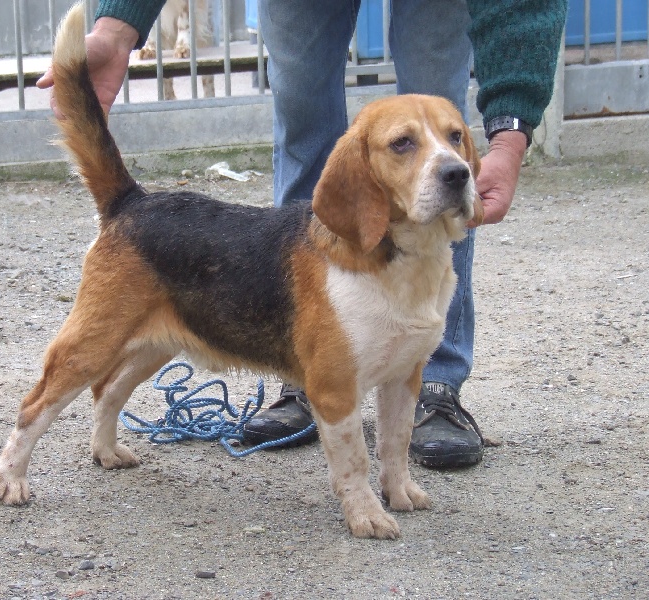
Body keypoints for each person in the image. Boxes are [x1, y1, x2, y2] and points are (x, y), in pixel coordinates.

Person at [39, 0, 568, 468]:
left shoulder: (450, 167)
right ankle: (311, 372)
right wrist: (118, 24)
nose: (451, 160)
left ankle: (434, 383)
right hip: (159, 240)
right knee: (302, 118)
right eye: (409, 146)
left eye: (457, 141)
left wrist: (510, 133)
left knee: (432, 100)